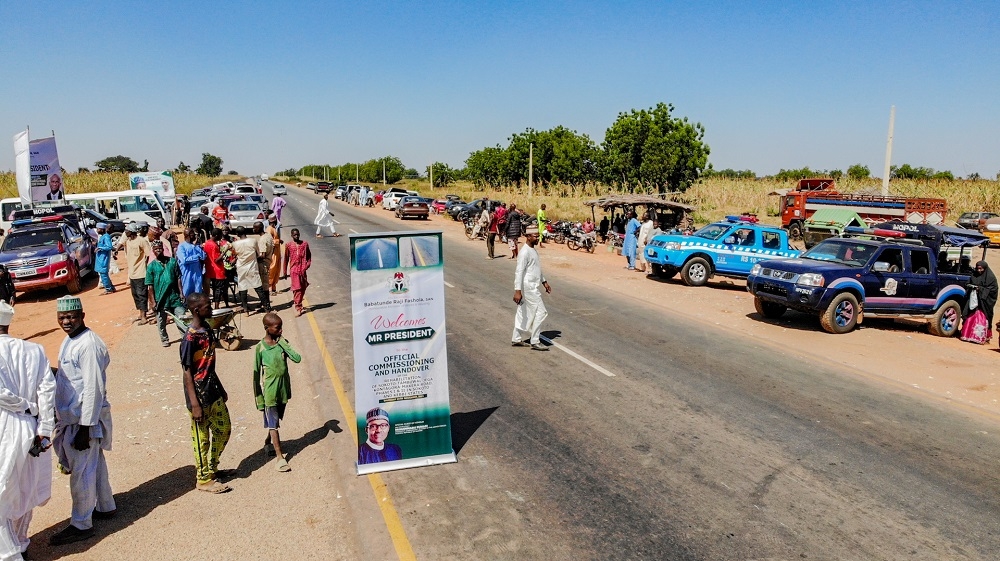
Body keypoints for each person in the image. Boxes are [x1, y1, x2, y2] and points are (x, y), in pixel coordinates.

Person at [50, 296, 116, 546]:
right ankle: (106, 506)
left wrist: (85, 429)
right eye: (62, 317)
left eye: (71, 317)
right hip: (74, 418)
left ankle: (81, 524)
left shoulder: (88, 345)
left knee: (81, 473)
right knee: (94, 464)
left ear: (82, 316)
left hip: (83, 421)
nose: (66, 321)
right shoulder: (70, 340)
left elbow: (93, 389)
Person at [0, 301, 55, 561]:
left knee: (3, 492)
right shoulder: (34, 350)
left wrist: (25, 406)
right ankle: (20, 542)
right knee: (25, 489)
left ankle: (10, 554)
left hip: (6, 428)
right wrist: (44, 427)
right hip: (33, 428)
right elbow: (48, 390)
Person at [179, 293, 232, 494]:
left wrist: (221, 388)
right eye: (207, 306)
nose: (211, 309)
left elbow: (209, 364)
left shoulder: (208, 330)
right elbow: (187, 372)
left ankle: (212, 467)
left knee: (224, 428)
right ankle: (203, 479)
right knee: (201, 439)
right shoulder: (189, 338)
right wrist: (194, 404)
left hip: (212, 390)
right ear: (196, 310)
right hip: (198, 397)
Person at [253, 313, 302, 472]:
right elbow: (255, 376)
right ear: (267, 328)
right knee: (274, 425)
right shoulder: (260, 348)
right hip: (270, 393)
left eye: (281, 327)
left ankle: (268, 443)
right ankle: (280, 457)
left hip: (282, 390)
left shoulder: (282, 343)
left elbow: (297, 358)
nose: (281, 330)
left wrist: (284, 344)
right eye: (277, 327)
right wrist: (259, 398)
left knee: (275, 421)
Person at [511, 227, 551, 351]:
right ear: (528, 237)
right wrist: (517, 291)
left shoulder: (532, 250)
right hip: (529, 287)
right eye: (535, 236)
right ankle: (535, 341)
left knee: (524, 313)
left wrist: (544, 281)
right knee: (541, 312)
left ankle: (516, 339)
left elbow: (536, 268)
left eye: (538, 236)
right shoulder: (524, 252)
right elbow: (519, 272)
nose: (537, 238)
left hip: (533, 285)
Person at [145, 240, 185, 347]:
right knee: (161, 321)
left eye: (160, 248)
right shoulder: (151, 266)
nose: (158, 250)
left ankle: (185, 337)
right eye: (156, 249)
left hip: (174, 296)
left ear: (163, 249)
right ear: (153, 251)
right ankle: (164, 339)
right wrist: (152, 301)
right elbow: (149, 286)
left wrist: (181, 293)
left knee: (181, 318)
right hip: (160, 299)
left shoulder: (172, 262)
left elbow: (178, 278)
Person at [116, 223, 153, 324]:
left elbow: (149, 255)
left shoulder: (141, 241)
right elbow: (120, 243)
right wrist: (116, 250)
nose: (125, 232)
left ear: (131, 231)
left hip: (141, 273)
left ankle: (144, 317)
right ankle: (140, 314)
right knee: (135, 295)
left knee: (142, 295)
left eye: (126, 230)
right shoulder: (128, 241)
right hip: (132, 273)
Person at [961, 260, 998, 344]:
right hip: (973, 301)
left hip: (984, 303)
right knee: (969, 317)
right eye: (978, 268)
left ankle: (981, 337)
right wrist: (970, 287)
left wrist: (980, 289)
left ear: (985, 268)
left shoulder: (990, 278)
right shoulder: (974, 275)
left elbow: (993, 290)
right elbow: (967, 283)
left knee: (983, 318)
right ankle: (967, 335)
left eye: (981, 269)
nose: (979, 271)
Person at [232, 227, 265, 314]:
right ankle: (267, 308)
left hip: (241, 268)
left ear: (238, 234)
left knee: (243, 288)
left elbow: (235, 256)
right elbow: (259, 254)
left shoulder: (235, 244)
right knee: (258, 287)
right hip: (252, 267)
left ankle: (245, 310)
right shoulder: (253, 241)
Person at [283, 229, 312, 317]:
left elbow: (309, 256)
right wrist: (284, 271)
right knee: (297, 288)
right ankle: (298, 307)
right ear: (291, 235)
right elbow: (286, 258)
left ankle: (298, 303)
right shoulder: (288, 245)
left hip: (302, 270)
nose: (297, 236)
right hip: (294, 270)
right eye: (295, 235)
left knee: (303, 287)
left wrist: (306, 266)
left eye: (298, 235)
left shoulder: (304, 244)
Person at [176, 228, 206, 299]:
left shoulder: (196, 246)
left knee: (198, 292)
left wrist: (196, 246)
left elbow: (203, 256)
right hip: (187, 273)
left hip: (197, 273)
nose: (195, 236)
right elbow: (184, 260)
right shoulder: (181, 247)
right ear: (189, 235)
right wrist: (196, 257)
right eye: (193, 234)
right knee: (187, 292)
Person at [203, 229, 228, 309]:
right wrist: (224, 251)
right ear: (217, 235)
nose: (221, 237)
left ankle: (215, 306)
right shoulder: (214, 245)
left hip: (210, 269)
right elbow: (216, 260)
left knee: (215, 288)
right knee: (218, 289)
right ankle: (217, 307)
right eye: (220, 235)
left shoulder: (207, 243)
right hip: (218, 270)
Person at [253, 222, 274, 311]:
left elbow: (262, 255)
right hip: (268, 262)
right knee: (264, 284)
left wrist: (253, 259)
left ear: (259, 228)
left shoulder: (262, 240)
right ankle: (263, 303)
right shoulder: (268, 235)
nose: (253, 229)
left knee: (264, 286)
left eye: (255, 228)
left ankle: (266, 305)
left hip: (263, 264)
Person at [266, 216, 282, 295]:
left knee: (276, 270)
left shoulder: (274, 228)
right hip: (272, 253)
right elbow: (269, 241)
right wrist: (278, 241)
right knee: (271, 270)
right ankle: (268, 289)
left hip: (277, 252)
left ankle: (273, 288)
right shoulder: (269, 229)